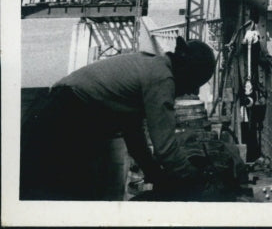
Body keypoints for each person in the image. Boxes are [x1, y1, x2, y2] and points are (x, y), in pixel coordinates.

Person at [20, 36, 216, 201]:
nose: (187, 91)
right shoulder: (162, 78)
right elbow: (165, 148)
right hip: (64, 118)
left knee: (49, 190)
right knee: (58, 194)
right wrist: (192, 178)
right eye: (192, 84)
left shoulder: (149, 66)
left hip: (53, 110)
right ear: (187, 72)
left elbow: (133, 134)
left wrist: (154, 172)